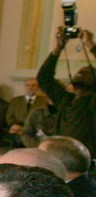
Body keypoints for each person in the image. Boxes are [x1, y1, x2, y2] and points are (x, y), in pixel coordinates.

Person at [38, 28, 96, 159]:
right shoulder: (66, 98)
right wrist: (58, 47)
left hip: (88, 157)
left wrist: (90, 44)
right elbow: (44, 78)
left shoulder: (93, 100)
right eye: (80, 71)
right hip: (62, 155)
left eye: (88, 71)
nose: (82, 72)